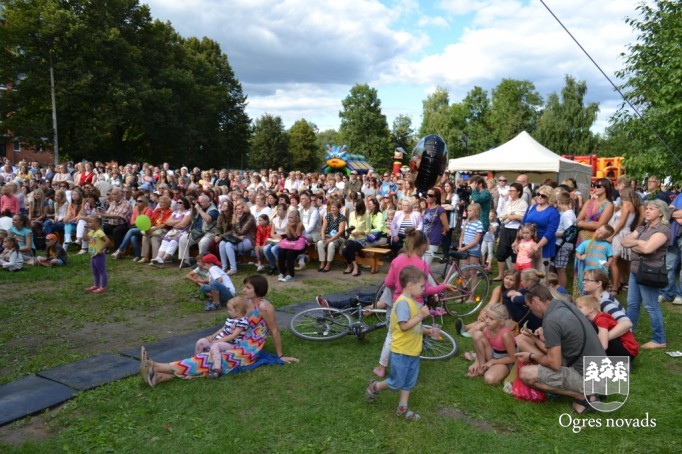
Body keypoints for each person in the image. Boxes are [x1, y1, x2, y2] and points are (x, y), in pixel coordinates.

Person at [139, 275, 298, 387]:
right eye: (245, 286)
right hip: (236, 342)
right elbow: (232, 323)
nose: (244, 290)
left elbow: (275, 331)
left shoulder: (265, 307)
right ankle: (160, 376)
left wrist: (280, 356)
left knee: (209, 360)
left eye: (248, 287)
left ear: (258, 289)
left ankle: (157, 366)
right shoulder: (246, 302)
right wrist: (214, 336)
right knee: (208, 355)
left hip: (249, 350)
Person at [372, 230, 456, 378]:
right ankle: (408, 361)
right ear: (423, 245)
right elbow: (426, 290)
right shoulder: (422, 264)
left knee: (392, 334)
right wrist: (444, 286)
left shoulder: (397, 260)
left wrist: (398, 289)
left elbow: (388, 283)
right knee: (414, 332)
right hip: (416, 304)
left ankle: (381, 367)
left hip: (398, 302)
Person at [515, 283, 606, 414]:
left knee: (526, 374)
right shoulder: (565, 304)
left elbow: (554, 364)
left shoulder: (551, 320)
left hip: (591, 378)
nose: (530, 311)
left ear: (535, 301)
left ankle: (584, 395)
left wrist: (530, 356)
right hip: (602, 372)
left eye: (529, 306)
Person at [364, 265, 434, 421]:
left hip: (413, 351)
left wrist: (428, 331)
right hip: (401, 351)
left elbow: (414, 327)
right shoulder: (403, 303)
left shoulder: (412, 302)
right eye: (422, 286)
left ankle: (402, 408)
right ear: (410, 285)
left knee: (409, 382)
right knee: (396, 383)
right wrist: (421, 316)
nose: (424, 289)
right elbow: (403, 326)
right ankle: (375, 386)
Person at [622, 199, 670, 349]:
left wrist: (635, 243)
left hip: (650, 271)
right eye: (647, 208)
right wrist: (640, 243)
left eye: (651, 209)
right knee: (632, 304)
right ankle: (627, 334)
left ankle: (659, 339)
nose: (647, 211)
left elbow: (648, 250)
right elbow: (624, 242)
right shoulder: (642, 228)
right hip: (635, 270)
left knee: (651, 305)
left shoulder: (663, 230)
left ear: (661, 213)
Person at [195, 296, 250, 378]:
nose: (228, 311)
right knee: (201, 342)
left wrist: (218, 341)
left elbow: (233, 336)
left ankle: (217, 370)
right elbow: (223, 329)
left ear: (238, 311)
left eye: (230, 310)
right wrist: (212, 336)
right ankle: (196, 360)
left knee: (214, 346)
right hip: (219, 340)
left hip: (230, 344)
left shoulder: (242, 322)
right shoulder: (231, 319)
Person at [575, 296, 638, 360]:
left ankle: (616, 361)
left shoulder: (601, 320)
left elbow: (604, 345)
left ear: (591, 309)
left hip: (628, 351)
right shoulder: (597, 319)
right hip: (623, 349)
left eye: (580, 307)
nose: (577, 310)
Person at [467, 303, 517, 385]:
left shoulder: (505, 335)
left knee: (490, 379)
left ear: (501, 321)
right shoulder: (486, 329)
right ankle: (481, 367)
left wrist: (493, 362)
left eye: (491, 319)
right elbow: (482, 346)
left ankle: (490, 368)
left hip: (505, 361)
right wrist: (477, 362)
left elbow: (513, 358)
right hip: (492, 354)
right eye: (487, 317)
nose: (487, 321)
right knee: (477, 334)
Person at [518, 185, 560, 272]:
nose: (539, 197)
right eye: (538, 194)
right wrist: (517, 241)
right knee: (527, 273)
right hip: (527, 244)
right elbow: (522, 225)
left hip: (544, 247)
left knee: (541, 274)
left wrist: (537, 246)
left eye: (543, 196)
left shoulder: (553, 212)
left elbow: (550, 233)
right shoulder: (531, 207)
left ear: (549, 197)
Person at [494, 182, 527, 281]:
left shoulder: (523, 203)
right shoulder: (507, 202)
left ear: (518, 192)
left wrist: (514, 216)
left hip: (517, 230)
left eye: (512, 191)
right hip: (506, 228)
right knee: (501, 252)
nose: (510, 192)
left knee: (514, 253)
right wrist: (511, 216)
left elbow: (523, 218)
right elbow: (502, 216)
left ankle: (513, 276)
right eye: (510, 190)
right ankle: (501, 275)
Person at [178, 194, 219, 268]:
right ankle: (185, 260)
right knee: (183, 239)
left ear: (208, 202)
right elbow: (191, 219)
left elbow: (208, 219)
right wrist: (193, 210)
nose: (200, 204)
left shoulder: (213, 210)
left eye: (202, 202)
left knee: (203, 242)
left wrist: (199, 209)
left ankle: (201, 262)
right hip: (198, 232)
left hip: (209, 232)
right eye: (199, 202)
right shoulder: (199, 208)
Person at [574, 225, 614, 296]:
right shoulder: (586, 243)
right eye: (598, 230)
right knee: (587, 285)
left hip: (600, 271)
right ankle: (587, 297)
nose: (598, 232)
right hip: (587, 270)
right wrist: (580, 257)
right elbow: (577, 253)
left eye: (602, 233)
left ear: (605, 236)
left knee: (599, 286)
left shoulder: (607, 245)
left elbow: (610, 256)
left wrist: (609, 263)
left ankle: (598, 297)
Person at [576, 178, 615, 251]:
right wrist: (591, 224)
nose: (595, 188)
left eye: (598, 186)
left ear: (606, 188)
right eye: (594, 185)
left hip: (595, 239)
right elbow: (578, 220)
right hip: (581, 238)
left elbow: (599, 225)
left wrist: (582, 224)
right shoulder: (589, 202)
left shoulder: (609, 205)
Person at [111, 195, 153, 260]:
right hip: (138, 229)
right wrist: (138, 221)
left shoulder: (148, 209)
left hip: (146, 229)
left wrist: (138, 220)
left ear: (144, 202)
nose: (137, 202)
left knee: (131, 231)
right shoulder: (135, 209)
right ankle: (138, 256)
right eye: (137, 201)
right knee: (133, 238)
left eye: (140, 201)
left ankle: (120, 250)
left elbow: (145, 222)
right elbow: (131, 222)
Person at [219, 200, 256, 275]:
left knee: (228, 245)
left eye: (239, 209)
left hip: (249, 239)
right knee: (222, 243)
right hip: (239, 238)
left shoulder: (250, 218)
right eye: (236, 209)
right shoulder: (235, 217)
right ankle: (224, 267)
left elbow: (242, 232)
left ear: (244, 209)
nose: (237, 211)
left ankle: (233, 269)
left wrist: (238, 222)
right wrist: (237, 236)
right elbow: (233, 231)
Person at [342, 199, 371, 277]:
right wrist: (350, 232)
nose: (354, 208)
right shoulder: (351, 214)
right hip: (351, 238)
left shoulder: (366, 215)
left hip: (361, 240)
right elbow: (349, 226)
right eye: (354, 206)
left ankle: (352, 266)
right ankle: (353, 265)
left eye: (355, 207)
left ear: (360, 208)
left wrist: (360, 233)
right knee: (344, 250)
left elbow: (368, 230)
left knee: (349, 245)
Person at [553, 191, 577, 289]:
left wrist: (555, 234)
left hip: (563, 244)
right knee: (558, 267)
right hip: (562, 244)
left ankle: (562, 290)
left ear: (559, 202)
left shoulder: (567, 215)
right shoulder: (566, 213)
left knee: (561, 269)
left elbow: (569, 231)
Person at [317, 200, 347, 272]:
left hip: (337, 237)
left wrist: (330, 240)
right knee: (320, 243)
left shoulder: (342, 218)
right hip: (327, 235)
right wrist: (323, 236)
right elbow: (323, 228)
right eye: (332, 207)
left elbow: (340, 232)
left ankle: (328, 264)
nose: (332, 209)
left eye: (334, 207)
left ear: (338, 208)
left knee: (331, 244)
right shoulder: (328, 216)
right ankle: (322, 262)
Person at [422, 187, 449, 266]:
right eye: (427, 195)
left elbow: (447, 227)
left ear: (436, 197)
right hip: (424, 239)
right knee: (421, 265)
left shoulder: (440, 210)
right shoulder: (427, 210)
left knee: (425, 266)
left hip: (433, 240)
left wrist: (442, 230)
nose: (427, 197)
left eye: (430, 195)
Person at [86, 216, 110, 294]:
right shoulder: (91, 232)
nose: (89, 224)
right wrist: (85, 229)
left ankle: (103, 287)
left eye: (90, 222)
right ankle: (96, 285)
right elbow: (84, 238)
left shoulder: (99, 232)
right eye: (88, 222)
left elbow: (107, 241)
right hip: (93, 255)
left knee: (101, 271)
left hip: (99, 255)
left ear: (97, 223)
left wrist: (101, 249)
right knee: (94, 271)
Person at [263, 203, 288, 275]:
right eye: (277, 210)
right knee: (266, 249)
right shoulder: (275, 220)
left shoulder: (288, 220)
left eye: (280, 210)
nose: (278, 211)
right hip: (276, 239)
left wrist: (279, 236)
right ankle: (273, 266)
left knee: (274, 249)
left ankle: (282, 266)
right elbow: (272, 233)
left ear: (285, 211)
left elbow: (286, 234)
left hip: (284, 240)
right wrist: (277, 236)